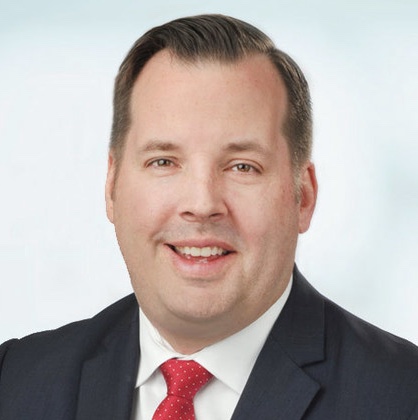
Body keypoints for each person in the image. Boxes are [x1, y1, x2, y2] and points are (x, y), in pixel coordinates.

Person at [0, 14, 417, 420]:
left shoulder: (403, 396)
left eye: (242, 167)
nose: (201, 204)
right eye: (164, 161)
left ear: (303, 197)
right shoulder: (15, 380)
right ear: (111, 186)